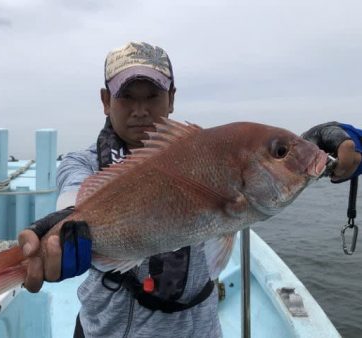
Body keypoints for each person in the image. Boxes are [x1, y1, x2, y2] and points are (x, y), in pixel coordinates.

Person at [18, 41, 362, 338]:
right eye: (126, 97)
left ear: (172, 99)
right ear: (106, 100)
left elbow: (309, 160)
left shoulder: (204, 152)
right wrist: (59, 233)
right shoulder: (82, 163)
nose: (141, 110)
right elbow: (74, 201)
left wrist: (339, 140)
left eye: (153, 95)